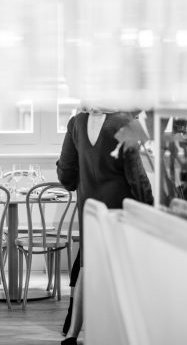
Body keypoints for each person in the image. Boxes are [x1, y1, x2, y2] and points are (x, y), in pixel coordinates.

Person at [57, 106, 154, 345]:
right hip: (119, 209)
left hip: (89, 208)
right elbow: (138, 178)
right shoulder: (125, 123)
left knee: (87, 268)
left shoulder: (76, 122)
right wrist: (149, 208)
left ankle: (71, 336)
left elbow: (66, 176)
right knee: (121, 271)